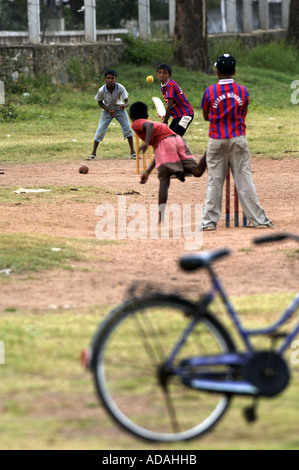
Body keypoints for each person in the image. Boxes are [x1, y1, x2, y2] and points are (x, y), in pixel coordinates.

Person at [200, 54, 273, 231]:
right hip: (238, 139)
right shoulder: (242, 91)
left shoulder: (210, 91)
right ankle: (259, 220)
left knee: (214, 181)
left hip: (216, 140)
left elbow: (205, 116)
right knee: (244, 180)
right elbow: (243, 112)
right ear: (234, 71)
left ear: (217, 72)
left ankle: (208, 223)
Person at [130, 101, 206, 222]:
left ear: (131, 116)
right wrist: (148, 172)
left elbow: (149, 127)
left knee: (164, 181)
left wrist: (145, 143)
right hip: (178, 140)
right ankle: (210, 151)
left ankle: (161, 218)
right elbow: (159, 152)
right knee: (197, 171)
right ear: (146, 115)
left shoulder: (136, 123)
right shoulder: (156, 127)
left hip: (166, 144)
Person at [88, 70, 136, 160]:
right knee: (101, 129)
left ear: (116, 79)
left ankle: (132, 152)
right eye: (108, 78)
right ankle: (93, 153)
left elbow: (127, 101)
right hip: (107, 110)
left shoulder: (120, 87)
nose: (110, 80)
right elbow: (99, 102)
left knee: (127, 128)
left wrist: (124, 106)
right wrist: (109, 110)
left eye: (112, 78)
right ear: (105, 79)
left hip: (119, 109)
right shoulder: (101, 90)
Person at [156, 63, 194, 137]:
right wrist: (166, 116)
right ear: (156, 75)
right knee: (170, 137)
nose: (161, 75)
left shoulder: (170, 85)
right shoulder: (163, 86)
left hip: (186, 114)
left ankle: (183, 148)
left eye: (165, 73)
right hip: (177, 116)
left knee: (173, 138)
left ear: (169, 75)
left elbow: (169, 106)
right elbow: (171, 105)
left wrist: (165, 121)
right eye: (159, 73)